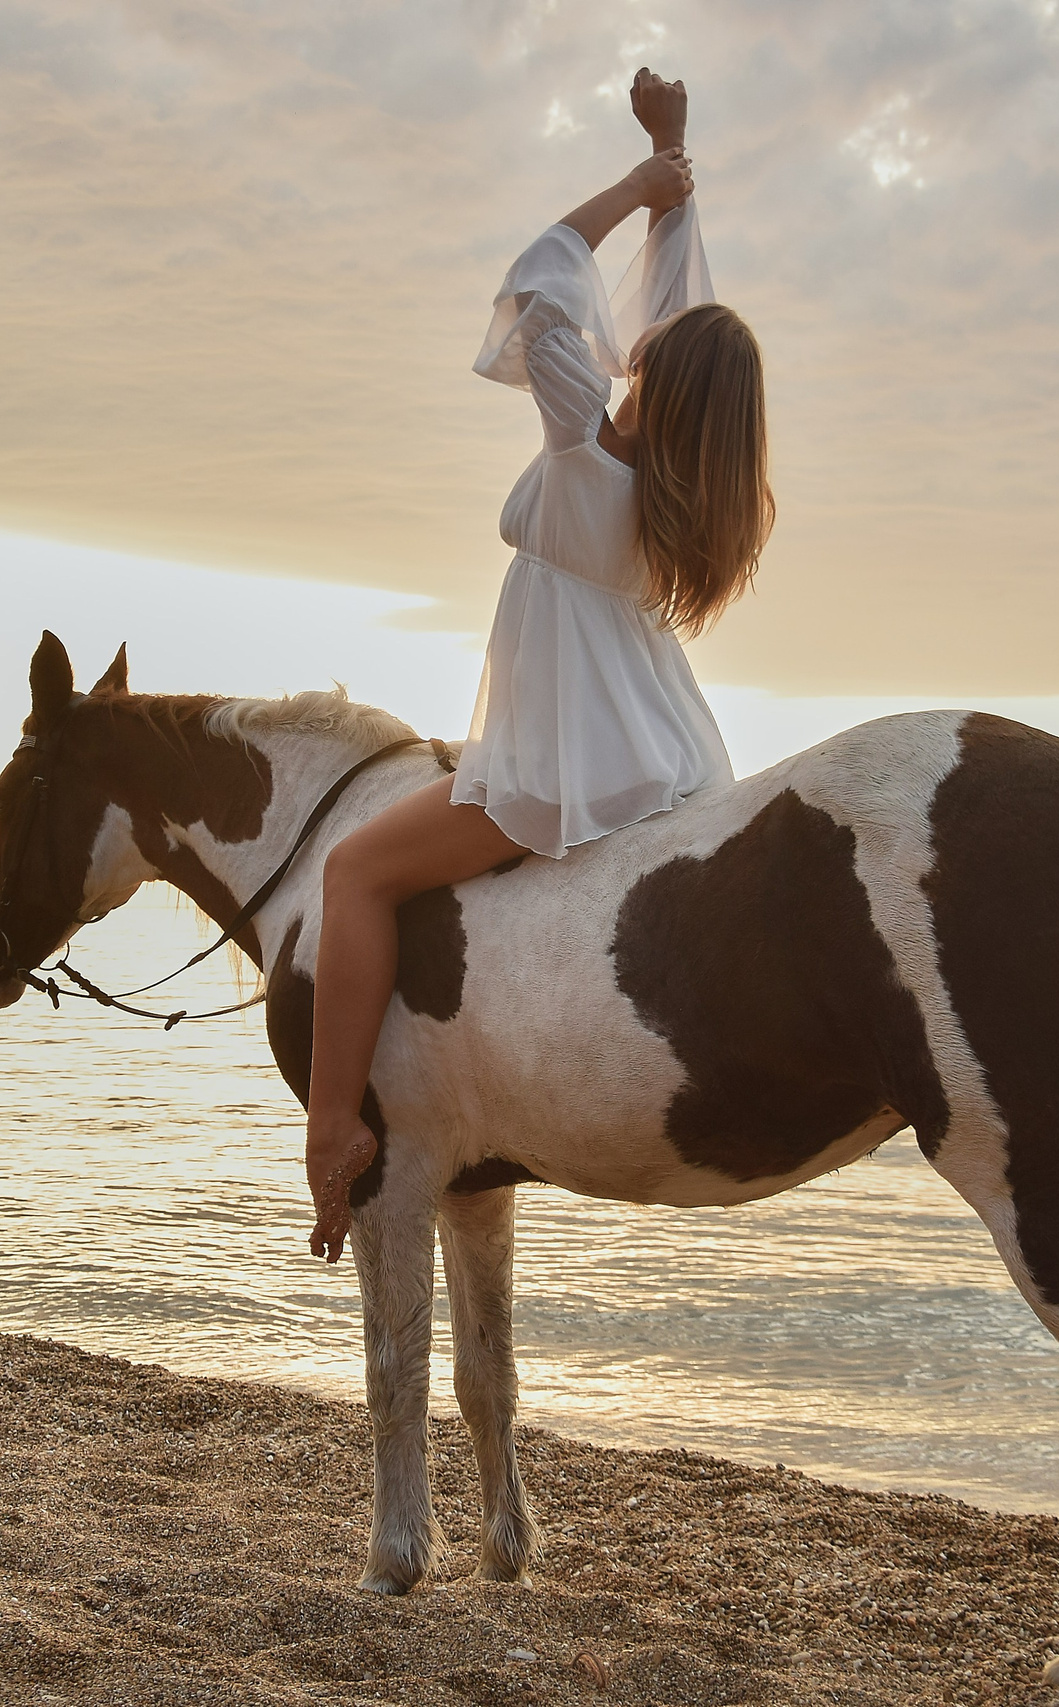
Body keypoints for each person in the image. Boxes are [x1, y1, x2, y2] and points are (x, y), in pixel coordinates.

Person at [304, 69, 775, 1259]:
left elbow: (537, 276)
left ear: (657, 386)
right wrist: (676, 161)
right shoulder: (675, 504)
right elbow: (678, 308)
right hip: (666, 756)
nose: (634, 356)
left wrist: (633, 183)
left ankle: (329, 1129)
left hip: (559, 773)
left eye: (649, 361)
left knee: (354, 873)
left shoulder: (583, 461)